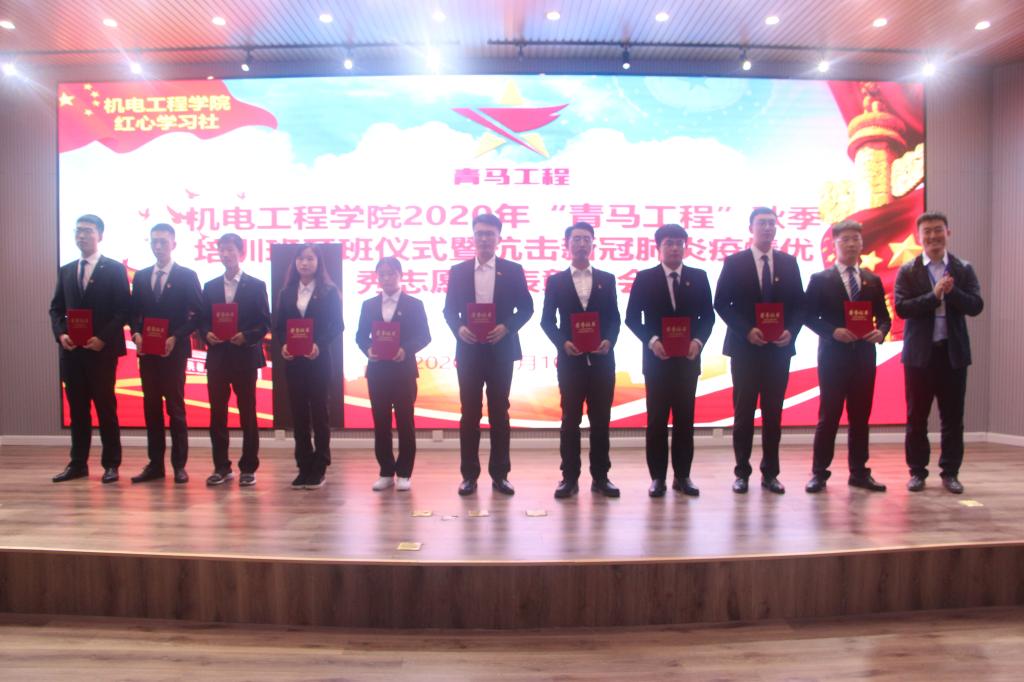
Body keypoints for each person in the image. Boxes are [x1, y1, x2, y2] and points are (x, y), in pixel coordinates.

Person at [714, 207, 805, 495]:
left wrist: (791, 331)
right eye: (762, 223)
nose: (767, 228)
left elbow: (799, 305)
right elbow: (721, 303)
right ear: (751, 228)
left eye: (771, 223)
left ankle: (771, 473)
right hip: (745, 349)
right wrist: (746, 331)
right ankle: (741, 472)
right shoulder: (735, 262)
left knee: (773, 414)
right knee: (743, 413)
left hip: (778, 350)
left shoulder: (789, 263)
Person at [443, 213, 534, 497]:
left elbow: (527, 308)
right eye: (480, 233)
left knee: (499, 412)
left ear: (498, 238)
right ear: (473, 237)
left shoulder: (513, 270)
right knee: (469, 413)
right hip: (469, 350)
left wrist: (507, 327)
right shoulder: (458, 271)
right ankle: (469, 476)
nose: (484, 238)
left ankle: (500, 475)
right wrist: (459, 328)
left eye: (489, 234)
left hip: (500, 350)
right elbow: (448, 310)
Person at [895, 211, 983, 494]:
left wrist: (951, 292)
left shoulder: (962, 268)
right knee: (916, 418)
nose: (933, 236)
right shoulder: (908, 270)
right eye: (927, 232)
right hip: (919, 356)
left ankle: (950, 473)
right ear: (919, 237)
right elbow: (902, 308)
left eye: (938, 230)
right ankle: (917, 472)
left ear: (948, 233)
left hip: (953, 355)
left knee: (952, 418)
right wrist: (934, 296)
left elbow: (976, 305)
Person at [625, 224, 715, 497]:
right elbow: (632, 318)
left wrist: (698, 341)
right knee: (657, 421)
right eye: (669, 243)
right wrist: (652, 341)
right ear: (659, 248)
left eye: (679, 243)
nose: (675, 248)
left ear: (685, 246)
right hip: (657, 361)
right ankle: (657, 478)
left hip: (688, 360)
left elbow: (707, 317)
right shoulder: (645, 278)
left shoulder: (698, 277)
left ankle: (683, 476)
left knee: (685, 420)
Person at [803, 220, 891, 494]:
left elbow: (884, 318)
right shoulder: (820, 279)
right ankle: (819, 473)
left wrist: (881, 332)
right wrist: (833, 331)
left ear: (862, 243)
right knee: (828, 416)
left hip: (864, 357)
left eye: (856, 239)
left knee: (860, 417)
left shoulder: (872, 280)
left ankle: (859, 472)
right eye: (845, 240)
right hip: (833, 357)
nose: (851, 244)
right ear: (835, 244)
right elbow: (807, 316)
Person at [540, 222, 622, 499]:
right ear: (567, 244)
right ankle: (569, 478)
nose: (582, 244)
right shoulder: (556, 281)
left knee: (601, 421)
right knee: (570, 421)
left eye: (587, 239)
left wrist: (609, 340)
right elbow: (547, 321)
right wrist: (563, 343)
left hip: (602, 361)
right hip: (571, 362)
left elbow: (614, 319)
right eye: (576, 239)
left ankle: (601, 477)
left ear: (593, 243)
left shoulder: (607, 279)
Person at [49, 214, 131, 483]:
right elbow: (56, 309)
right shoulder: (66, 270)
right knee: (77, 409)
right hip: (73, 352)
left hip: (101, 352)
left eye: (87, 231)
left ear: (100, 235)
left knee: (106, 407)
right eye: (78, 231)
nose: (81, 235)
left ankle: (111, 464)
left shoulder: (114, 269)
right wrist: (61, 334)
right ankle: (78, 464)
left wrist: (103, 338)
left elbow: (123, 310)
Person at [130, 223, 203, 484]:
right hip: (148, 354)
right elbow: (133, 313)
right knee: (151, 409)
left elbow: (199, 315)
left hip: (174, 352)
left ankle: (179, 466)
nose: (158, 246)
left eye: (163, 241)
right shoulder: (141, 277)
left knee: (176, 409)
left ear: (173, 244)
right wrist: (136, 333)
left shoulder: (187, 275)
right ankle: (155, 465)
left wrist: (176, 336)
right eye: (154, 242)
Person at [199, 233, 271, 487]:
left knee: (247, 414)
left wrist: (246, 336)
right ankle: (221, 467)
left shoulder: (256, 285)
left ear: (241, 253)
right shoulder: (210, 286)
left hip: (244, 357)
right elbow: (202, 320)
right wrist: (206, 334)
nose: (225, 254)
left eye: (230, 250)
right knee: (217, 414)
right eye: (222, 250)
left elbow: (264, 323)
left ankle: (248, 468)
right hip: (218, 357)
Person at [355, 257, 431, 492]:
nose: (386, 278)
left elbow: (424, 336)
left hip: (403, 371)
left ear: (400, 275)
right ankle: (386, 471)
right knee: (381, 422)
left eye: (391, 273)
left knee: (406, 422)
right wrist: (368, 349)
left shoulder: (414, 304)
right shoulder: (368, 305)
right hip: (377, 371)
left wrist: (405, 350)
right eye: (382, 274)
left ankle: (405, 472)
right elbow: (360, 336)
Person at [274, 244, 343, 490]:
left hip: (318, 360)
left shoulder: (329, 291)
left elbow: (337, 325)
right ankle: (303, 466)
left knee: (320, 414)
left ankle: (320, 466)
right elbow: (279, 326)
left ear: (318, 262)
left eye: (310, 259)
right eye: (301, 259)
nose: (305, 263)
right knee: (299, 414)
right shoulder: (287, 291)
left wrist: (319, 345)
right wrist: (284, 344)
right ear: (295, 263)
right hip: (294, 362)